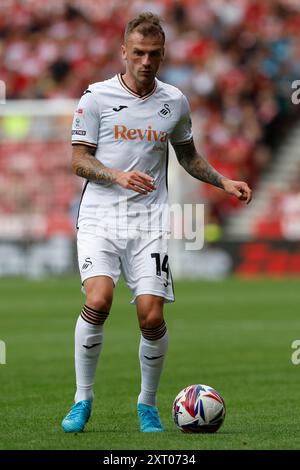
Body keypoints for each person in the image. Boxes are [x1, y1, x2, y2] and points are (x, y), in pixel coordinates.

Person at [61, 12, 252, 434]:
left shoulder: (175, 101)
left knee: (150, 317)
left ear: (163, 55)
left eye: (154, 54)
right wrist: (116, 175)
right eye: (138, 53)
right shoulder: (95, 97)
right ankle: (82, 398)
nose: (146, 61)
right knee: (99, 300)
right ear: (123, 52)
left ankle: (147, 404)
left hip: (149, 222)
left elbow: (188, 156)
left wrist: (223, 181)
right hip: (100, 218)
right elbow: (77, 160)